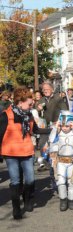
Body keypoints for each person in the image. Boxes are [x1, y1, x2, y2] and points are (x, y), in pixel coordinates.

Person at [0, 87, 39, 219]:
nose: (31, 104)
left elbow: (36, 130)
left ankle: (27, 200)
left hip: (27, 151)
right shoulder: (6, 115)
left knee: (30, 179)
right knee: (15, 181)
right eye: (29, 103)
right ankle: (16, 208)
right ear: (20, 102)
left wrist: (55, 130)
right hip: (11, 153)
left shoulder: (29, 115)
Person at [49, 111, 73, 211]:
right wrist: (56, 128)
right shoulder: (58, 133)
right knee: (60, 182)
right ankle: (63, 200)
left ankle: (72, 200)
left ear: (71, 125)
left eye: (67, 126)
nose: (65, 128)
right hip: (60, 161)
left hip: (72, 161)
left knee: (72, 182)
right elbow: (51, 140)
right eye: (63, 126)